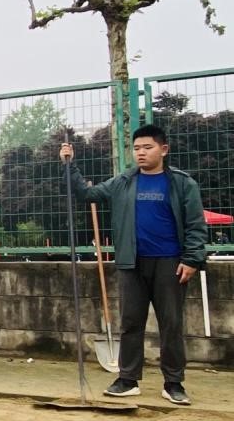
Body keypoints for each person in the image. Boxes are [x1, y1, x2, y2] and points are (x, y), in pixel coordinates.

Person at [60, 124, 207, 405]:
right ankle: (127, 379)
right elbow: (87, 195)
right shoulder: (124, 181)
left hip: (170, 263)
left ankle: (173, 383)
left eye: (147, 147)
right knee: (130, 322)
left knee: (171, 324)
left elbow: (195, 224)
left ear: (163, 149)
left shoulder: (181, 183)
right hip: (132, 262)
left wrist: (191, 259)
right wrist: (69, 166)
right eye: (137, 148)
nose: (141, 153)